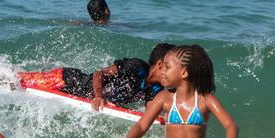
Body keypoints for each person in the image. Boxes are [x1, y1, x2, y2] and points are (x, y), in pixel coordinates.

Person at [18, 43, 176, 111]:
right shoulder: (137, 67)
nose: (175, 73)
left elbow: (152, 108)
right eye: (173, 67)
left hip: (72, 94)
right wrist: (99, 96)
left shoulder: (155, 88)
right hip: (66, 79)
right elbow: (98, 73)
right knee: (17, 81)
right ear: (161, 64)